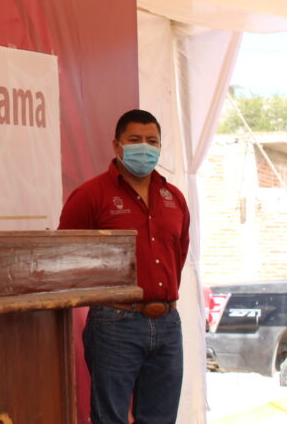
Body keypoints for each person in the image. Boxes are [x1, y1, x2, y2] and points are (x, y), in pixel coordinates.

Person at [57, 109, 190, 424]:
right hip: (115, 322)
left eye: (152, 141)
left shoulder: (174, 197)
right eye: (135, 140)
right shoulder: (91, 195)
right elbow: (64, 254)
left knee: (160, 418)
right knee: (110, 418)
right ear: (116, 146)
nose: (144, 147)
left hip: (169, 323)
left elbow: (179, 254)